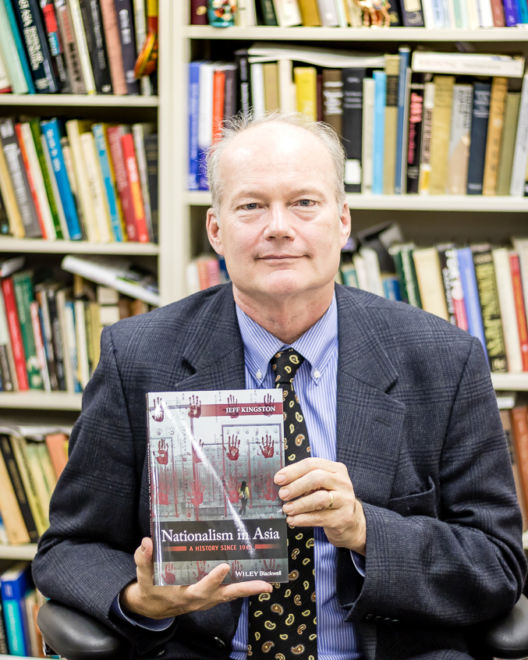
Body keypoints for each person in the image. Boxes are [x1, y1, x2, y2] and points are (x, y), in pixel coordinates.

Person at [32, 113, 526, 660]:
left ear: (342, 221)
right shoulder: (138, 356)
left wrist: (365, 529)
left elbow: (497, 564)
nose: (278, 227)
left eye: (303, 203)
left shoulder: (443, 360)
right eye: (250, 205)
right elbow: (69, 548)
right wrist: (141, 599)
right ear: (216, 230)